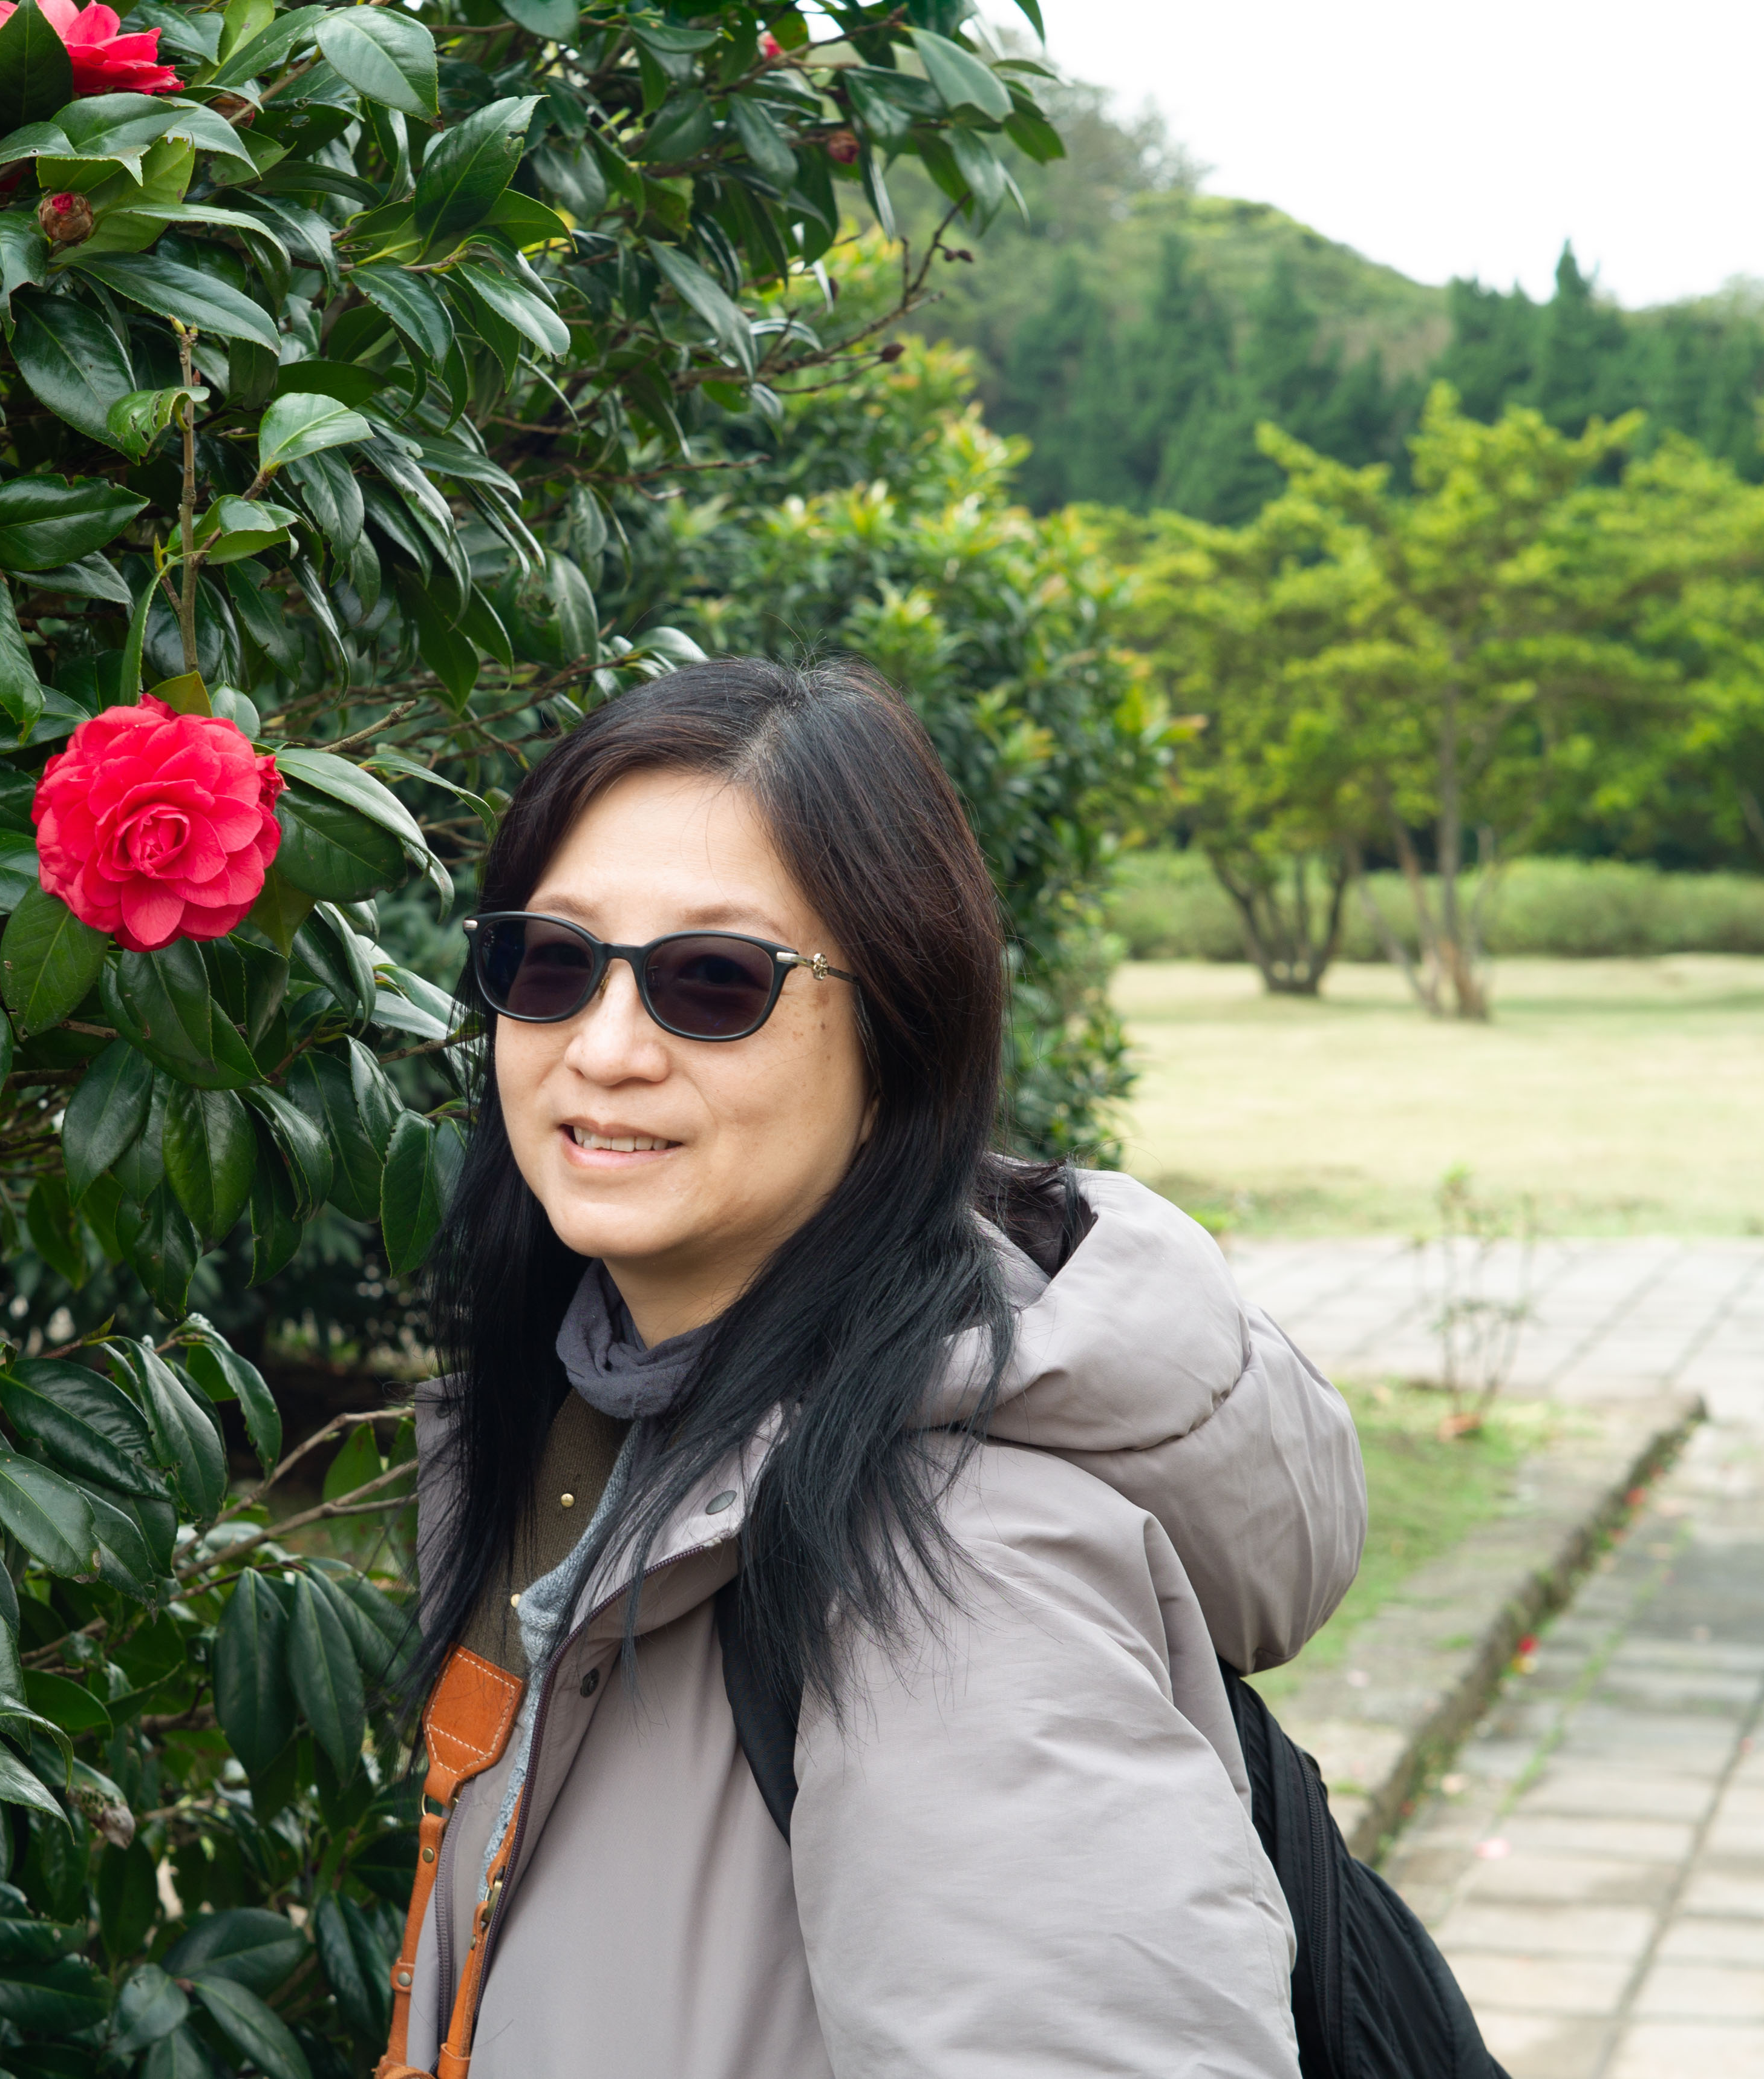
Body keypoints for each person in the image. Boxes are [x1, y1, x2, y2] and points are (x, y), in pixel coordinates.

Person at [380, 658, 1368, 2078]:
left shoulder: (956, 1574)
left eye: (711, 983)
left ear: (894, 1048)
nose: (600, 1049)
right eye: (551, 963)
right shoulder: (608, 1421)